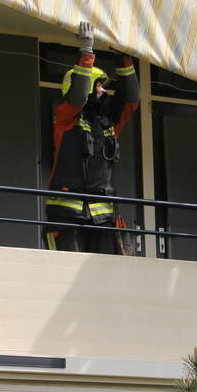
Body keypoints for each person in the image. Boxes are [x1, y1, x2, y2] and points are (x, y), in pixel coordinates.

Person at [44, 21, 140, 254]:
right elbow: (78, 98)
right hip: (66, 215)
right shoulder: (66, 117)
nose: (104, 90)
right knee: (65, 270)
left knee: (103, 272)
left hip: (103, 217)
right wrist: (86, 51)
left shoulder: (109, 122)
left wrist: (123, 57)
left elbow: (131, 99)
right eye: (99, 86)